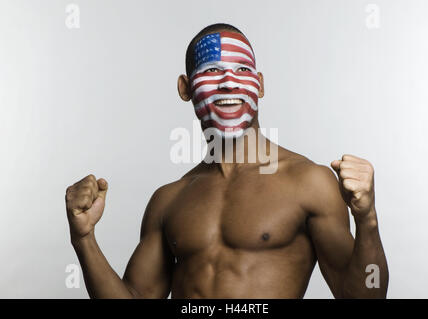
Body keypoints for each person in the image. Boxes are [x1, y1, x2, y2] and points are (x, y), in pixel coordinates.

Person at [65, 23, 388, 298]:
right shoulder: (169, 199)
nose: (229, 82)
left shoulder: (309, 182)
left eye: (242, 70)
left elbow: (362, 295)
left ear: (259, 85)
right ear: (185, 87)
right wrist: (84, 239)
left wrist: (367, 220)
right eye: (212, 70)